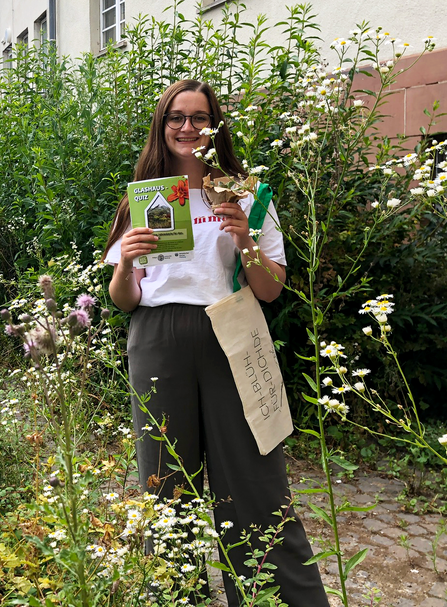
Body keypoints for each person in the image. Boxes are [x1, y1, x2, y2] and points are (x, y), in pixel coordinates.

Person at [102, 80, 329, 606]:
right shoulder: (144, 197)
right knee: (165, 487)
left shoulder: (245, 195)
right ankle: (177, 598)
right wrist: (129, 261)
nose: (187, 127)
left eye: (199, 117)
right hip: (157, 341)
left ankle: (276, 599)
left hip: (233, 335)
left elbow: (271, 289)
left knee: (255, 480)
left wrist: (244, 240)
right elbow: (125, 300)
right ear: (162, 127)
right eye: (176, 117)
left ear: (215, 126)